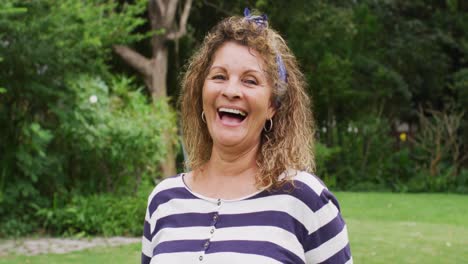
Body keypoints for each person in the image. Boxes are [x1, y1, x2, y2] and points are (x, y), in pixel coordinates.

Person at [141, 8, 352, 264]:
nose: (231, 90)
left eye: (250, 81)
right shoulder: (164, 199)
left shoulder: (305, 200)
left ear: (272, 106)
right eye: (219, 76)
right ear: (200, 94)